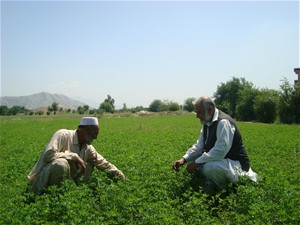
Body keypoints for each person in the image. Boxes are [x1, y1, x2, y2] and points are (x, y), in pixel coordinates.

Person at [173, 96, 257, 191]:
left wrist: (196, 163)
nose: (196, 116)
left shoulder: (223, 122)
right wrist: (184, 159)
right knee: (198, 161)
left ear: (210, 110)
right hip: (222, 161)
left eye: (199, 112)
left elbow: (220, 151)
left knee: (210, 167)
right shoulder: (207, 123)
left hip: (237, 164)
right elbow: (199, 146)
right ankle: (212, 181)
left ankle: (224, 190)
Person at [28, 117, 126, 195]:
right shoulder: (63, 135)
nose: (96, 137)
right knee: (61, 164)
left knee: (91, 162)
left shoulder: (88, 148)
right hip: (43, 182)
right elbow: (48, 155)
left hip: (68, 185)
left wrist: (123, 178)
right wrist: (73, 156)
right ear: (87, 130)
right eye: (95, 134)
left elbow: (103, 164)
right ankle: (50, 196)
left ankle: (72, 193)